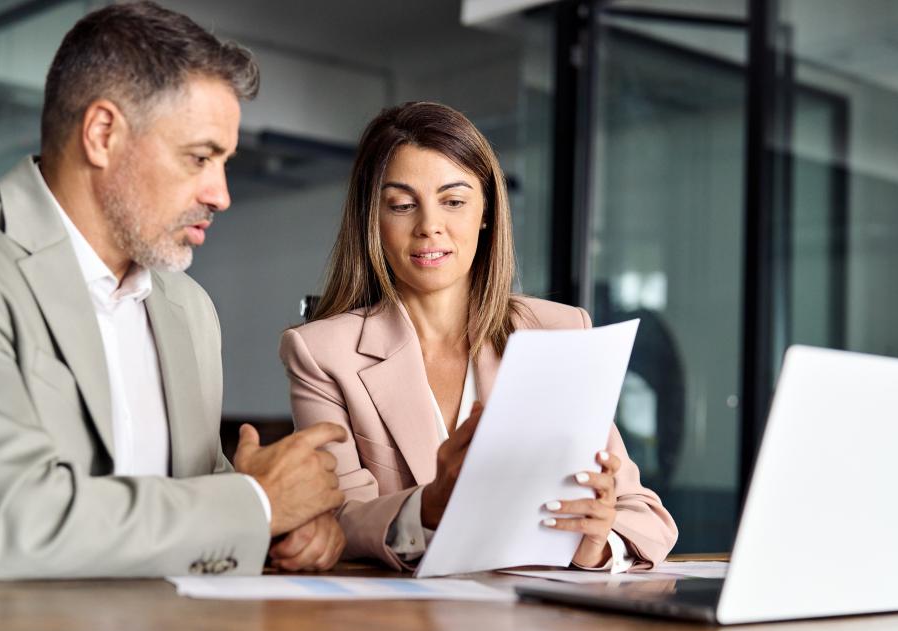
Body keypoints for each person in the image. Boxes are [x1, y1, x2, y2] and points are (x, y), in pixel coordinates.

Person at [0, 2, 347, 579]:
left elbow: (199, 502)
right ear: (103, 133)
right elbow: (9, 519)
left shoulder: (189, 308)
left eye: (226, 162)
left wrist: (288, 524)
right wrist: (257, 504)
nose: (221, 194)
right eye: (201, 157)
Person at [279, 102, 678, 572]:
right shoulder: (322, 353)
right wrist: (425, 507)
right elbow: (335, 519)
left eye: (454, 201)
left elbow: (646, 517)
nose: (429, 226)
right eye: (403, 205)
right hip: (397, 629)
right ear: (373, 220)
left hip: (536, 624)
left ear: (486, 212)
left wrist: (596, 540)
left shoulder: (558, 332)